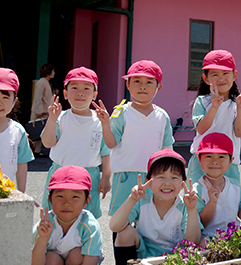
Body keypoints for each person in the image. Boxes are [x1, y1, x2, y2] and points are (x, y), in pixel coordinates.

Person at [98, 60, 175, 216]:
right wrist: (106, 124)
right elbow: (111, 143)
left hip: (154, 176)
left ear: (158, 87)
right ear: (128, 85)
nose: (142, 86)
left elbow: (167, 148)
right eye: (137, 81)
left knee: (150, 217)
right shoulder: (121, 113)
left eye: (149, 82)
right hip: (126, 174)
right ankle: (120, 241)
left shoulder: (162, 115)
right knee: (122, 216)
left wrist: (172, 174)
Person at [109, 150, 200, 265]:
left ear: (182, 182)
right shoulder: (142, 202)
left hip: (175, 260)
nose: (167, 183)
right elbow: (115, 226)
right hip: (142, 256)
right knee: (124, 233)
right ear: (148, 181)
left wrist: (192, 209)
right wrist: (132, 199)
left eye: (174, 177)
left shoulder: (184, 206)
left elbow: (192, 242)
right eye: (161, 177)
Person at [39, 67, 111, 218]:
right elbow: (47, 143)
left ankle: (85, 241)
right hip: (60, 172)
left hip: (89, 174)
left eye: (86, 88)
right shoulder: (61, 118)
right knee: (54, 214)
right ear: (65, 94)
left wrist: (105, 177)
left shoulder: (100, 121)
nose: (80, 92)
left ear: (94, 94)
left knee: (86, 216)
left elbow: (106, 152)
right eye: (74, 88)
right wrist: (52, 119)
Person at [188, 50, 241, 184]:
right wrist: (214, 107)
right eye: (215, 74)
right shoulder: (202, 101)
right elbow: (202, 129)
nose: (221, 78)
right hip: (202, 160)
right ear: (206, 79)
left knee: (229, 200)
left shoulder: (239, 103)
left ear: (234, 75)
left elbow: (239, 132)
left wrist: (240, 108)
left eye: (225, 73)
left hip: (228, 161)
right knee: (197, 199)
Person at [32, 166, 103, 265]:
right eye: (60, 196)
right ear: (50, 199)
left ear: (86, 201)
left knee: (77, 256)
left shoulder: (89, 226)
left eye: (75, 197)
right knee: (51, 260)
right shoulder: (45, 224)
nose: (67, 203)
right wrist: (43, 238)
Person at [192, 133, 241, 238]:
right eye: (208, 156)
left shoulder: (234, 184)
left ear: (231, 161)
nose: (214, 162)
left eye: (221, 156)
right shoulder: (197, 189)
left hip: (234, 237)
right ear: (199, 159)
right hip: (209, 239)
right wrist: (212, 202)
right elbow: (201, 224)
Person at [31, 63, 55, 157]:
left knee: (40, 129)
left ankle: (37, 150)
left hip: (45, 110)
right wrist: (39, 111)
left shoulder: (46, 82)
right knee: (38, 129)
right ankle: (36, 150)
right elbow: (38, 97)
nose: (54, 73)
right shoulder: (42, 82)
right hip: (41, 111)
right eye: (52, 71)